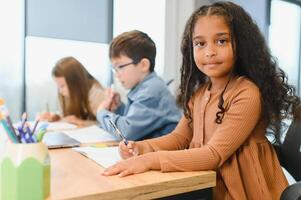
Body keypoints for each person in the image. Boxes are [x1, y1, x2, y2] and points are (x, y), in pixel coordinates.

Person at [102, 2, 301, 199]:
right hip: (207, 183)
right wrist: (141, 148)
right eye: (200, 43)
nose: (209, 51)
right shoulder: (200, 93)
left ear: (241, 44)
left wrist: (148, 161)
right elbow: (179, 138)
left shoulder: (246, 93)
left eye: (221, 41)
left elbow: (213, 154)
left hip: (245, 190)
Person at [96, 30, 181, 140]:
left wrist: (102, 113)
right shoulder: (143, 87)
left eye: (120, 67)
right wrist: (119, 108)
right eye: (114, 69)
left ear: (143, 65)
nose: (117, 75)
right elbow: (137, 123)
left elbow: (126, 132)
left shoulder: (151, 91)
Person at [40, 56, 105, 126]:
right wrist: (56, 118)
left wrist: (81, 122)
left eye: (62, 86)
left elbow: (108, 126)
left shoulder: (97, 95)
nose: (60, 91)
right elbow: (69, 118)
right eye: (58, 86)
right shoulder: (67, 95)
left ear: (76, 83)